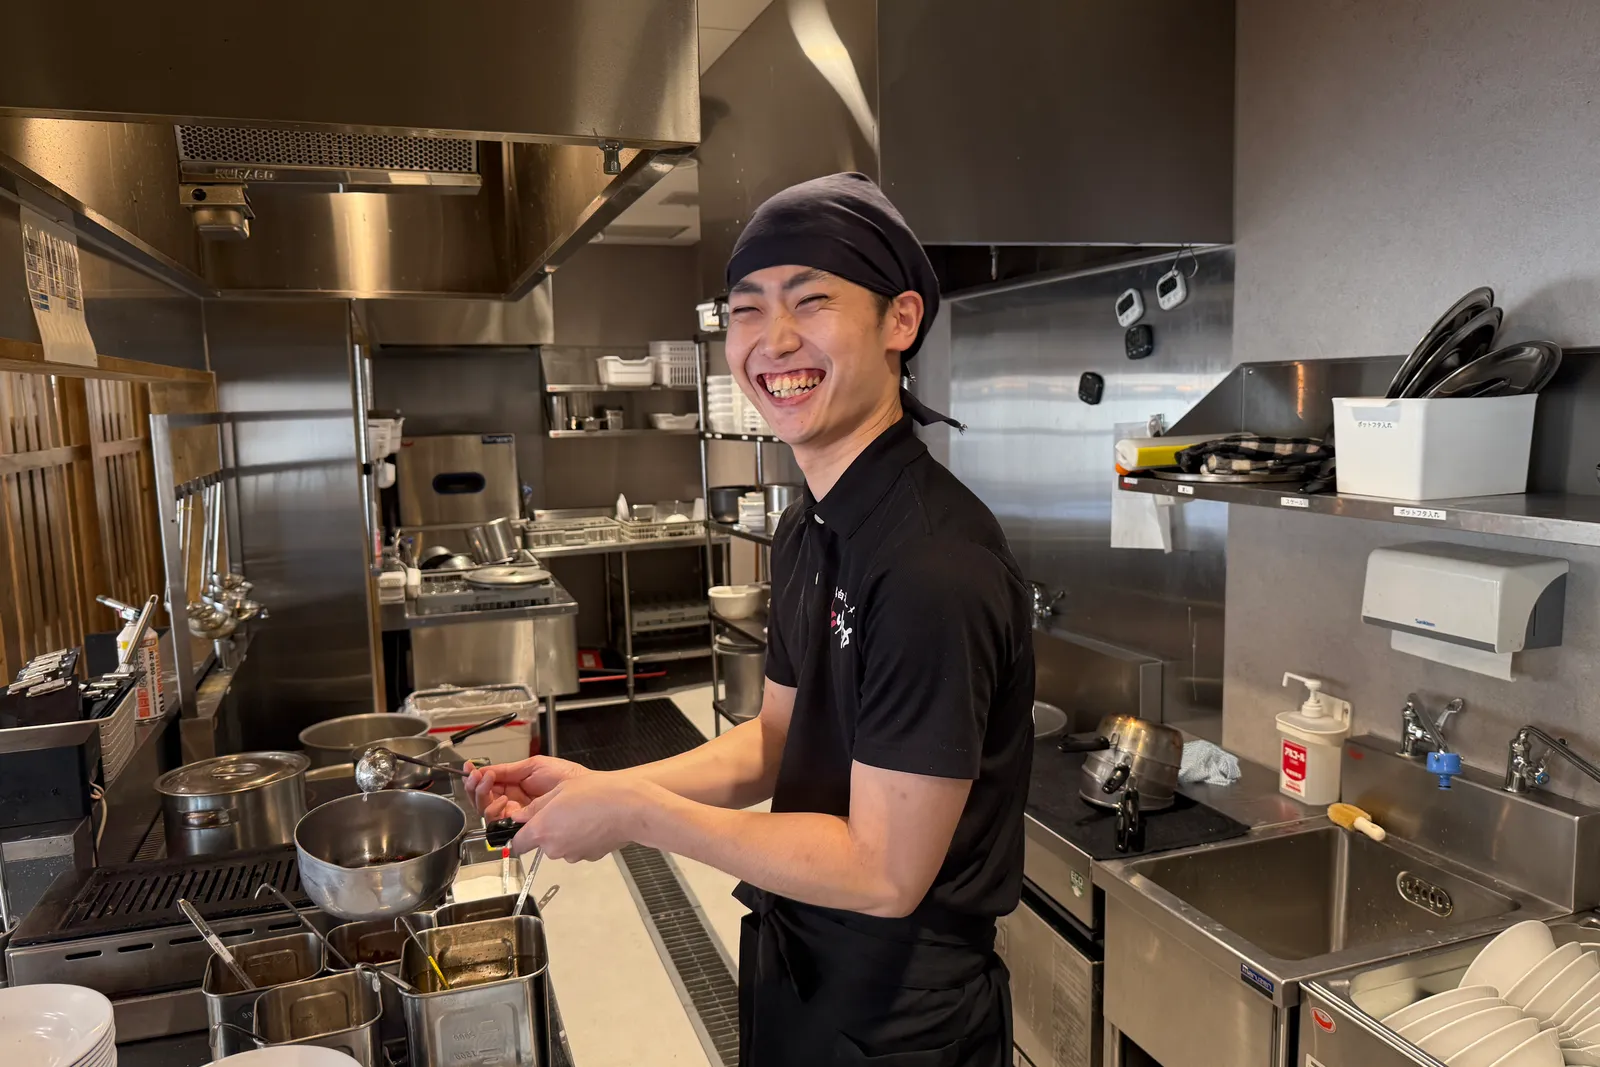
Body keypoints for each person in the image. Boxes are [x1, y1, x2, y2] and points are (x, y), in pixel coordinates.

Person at [466, 172, 1035, 1066]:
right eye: (745, 309)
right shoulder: (812, 522)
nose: (772, 342)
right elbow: (773, 740)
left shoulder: (933, 564)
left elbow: (884, 872)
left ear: (901, 322)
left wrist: (639, 816)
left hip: (902, 1022)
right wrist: (604, 785)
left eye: (812, 301)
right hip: (800, 969)